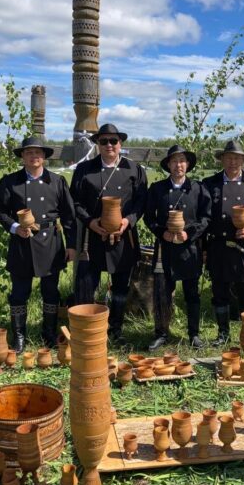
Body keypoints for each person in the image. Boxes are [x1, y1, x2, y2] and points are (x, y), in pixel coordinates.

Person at [0, 136, 77, 352]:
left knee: (51, 291)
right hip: (22, 242)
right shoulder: (10, 182)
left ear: (44, 156)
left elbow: (69, 216)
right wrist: (15, 227)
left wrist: (71, 245)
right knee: (19, 292)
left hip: (50, 241)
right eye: (29, 152)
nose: (34, 156)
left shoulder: (57, 181)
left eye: (38, 152)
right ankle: (19, 336)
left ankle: (48, 333)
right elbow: (0, 211)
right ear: (22, 156)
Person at [70, 123, 147, 343]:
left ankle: (116, 329)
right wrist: (90, 221)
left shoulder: (134, 169)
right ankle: (88, 331)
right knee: (87, 286)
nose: (109, 145)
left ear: (120, 144)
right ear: (97, 144)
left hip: (123, 237)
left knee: (121, 287)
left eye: (113, 141)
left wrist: (128, 221)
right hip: (92, 238)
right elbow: (74, 201)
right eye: (103, 141)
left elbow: (142, 201)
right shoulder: (84, 169)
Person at [144, 145, 211, 350]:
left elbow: (206, 218)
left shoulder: (198, 189)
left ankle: (194, 334)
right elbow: (149, 217)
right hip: (164, 250)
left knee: (192, 294)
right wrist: (161, 232)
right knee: (162, 293)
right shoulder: (157, 189)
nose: (178, 165)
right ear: (168, 165)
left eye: (182, 160)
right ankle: (162, 333)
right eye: (174, 161)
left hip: (190, 250)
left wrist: (189, 234)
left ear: (187, 164)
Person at [203, 139, 244, 345]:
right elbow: (203, 218)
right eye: (229, 158)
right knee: (219, 292)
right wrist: (203, 248)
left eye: (237, 158)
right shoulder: (209, 183)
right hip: (218, 246)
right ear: (222, 160)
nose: (233, 162)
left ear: (243, 161)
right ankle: (223, 334)